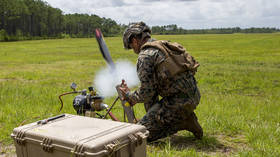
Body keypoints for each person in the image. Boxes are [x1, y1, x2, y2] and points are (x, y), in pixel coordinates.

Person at [119, 22, 203, 142]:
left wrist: (129, 96)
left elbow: (146, 93)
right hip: (192, 96)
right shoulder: (162, 46)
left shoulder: (145, 56)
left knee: (139, 135)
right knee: (147, 121)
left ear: (134, 40)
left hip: (178, 103)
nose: (133, 50)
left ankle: (184, 122)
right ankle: (163, 120)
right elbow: (151, 90)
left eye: (131, 45)